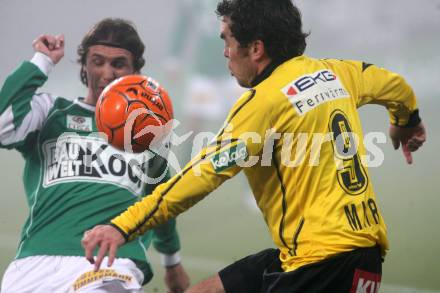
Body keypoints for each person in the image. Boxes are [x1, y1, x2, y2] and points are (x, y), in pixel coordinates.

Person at [81, 1, 427, 292]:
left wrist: (122, 226)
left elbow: (195, 180)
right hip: (340, 253)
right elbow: (395, 86)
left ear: (256, 49)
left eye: (228, 41)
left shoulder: (261, 105)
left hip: (322, 266)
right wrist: (406, 122)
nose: (225, 53)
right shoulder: (338, 72)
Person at [0, 18, 189, 293]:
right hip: (34, 263)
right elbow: (3, 124)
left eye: (118, 64)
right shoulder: (51, 112)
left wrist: (172, 261)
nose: (107, 72)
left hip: (110, 262)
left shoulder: (146, 129)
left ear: (136, 70)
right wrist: (42, 61)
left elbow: (159, 197)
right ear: (84, 66)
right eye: (97, 61)